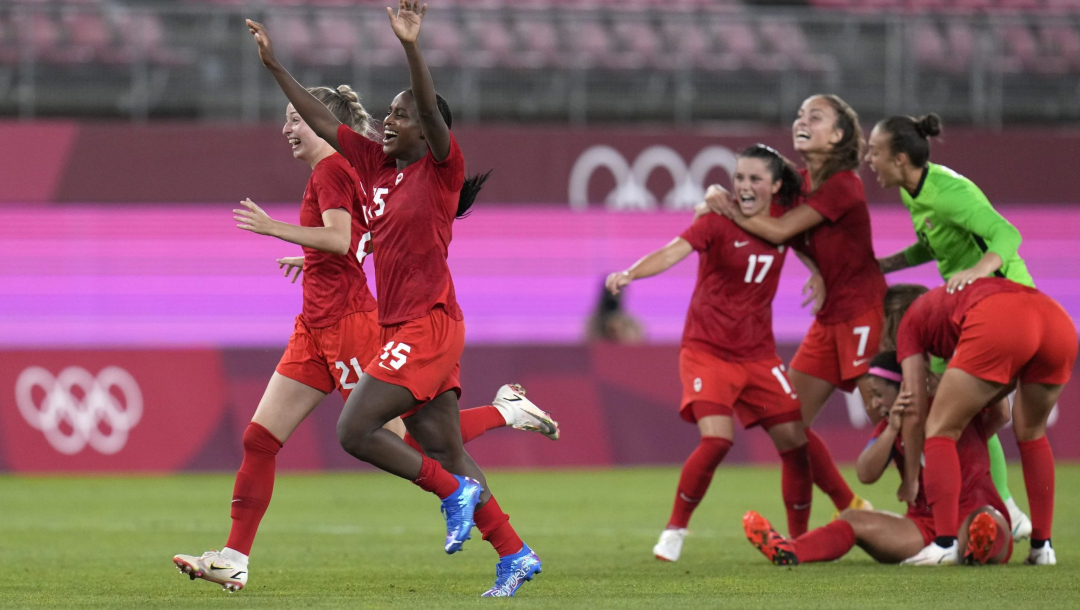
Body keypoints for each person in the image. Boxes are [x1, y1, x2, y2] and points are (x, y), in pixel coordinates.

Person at [172, 85, 558, 593]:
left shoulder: (334, 169)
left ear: (319, 123)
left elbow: (341, 236)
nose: (287, 129)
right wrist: (314, 258)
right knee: (260, 438)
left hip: (351, 326)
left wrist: (275, 229)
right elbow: (366, 235)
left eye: (294, 120)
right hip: (314, 326)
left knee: (410, 442)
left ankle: (501, 434)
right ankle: (233, 557)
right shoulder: (357, 173)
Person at [245, 3, 543, 596]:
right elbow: (324, 123)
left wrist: (411, 46)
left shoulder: (439, 169)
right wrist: (276, 67)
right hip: (407, 325)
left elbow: (430, 109)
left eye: (400, 116)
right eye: (387, 113)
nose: (389, 121)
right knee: (443, 446)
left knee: (356, 430)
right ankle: (515, 553)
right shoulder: (376, 168)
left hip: (427, 326)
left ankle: (455, 494)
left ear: (427, 132)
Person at [606, 145, 813, 561]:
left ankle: (800, 540)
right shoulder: (716, 221)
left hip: (759, 356)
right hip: (708, 351)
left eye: (755, 179)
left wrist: (822, 275)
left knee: (796, 443)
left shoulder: (787, 222)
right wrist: (630, 273)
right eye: (739, 178)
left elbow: (823, 202)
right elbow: (672, 250)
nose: (745, 186)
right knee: (717, 440)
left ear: (776, 185)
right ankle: (675, 530)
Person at [707, 94, 884, 517]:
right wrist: (816, 267)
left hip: (865, 314)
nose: (802, 120)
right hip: (828, 321)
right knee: (788, 424)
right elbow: (782, 233)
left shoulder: (844, 184)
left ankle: (934, 518)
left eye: (816, 116)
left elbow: (780, 227)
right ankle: (833, 515)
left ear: (838, 135)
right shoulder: (799, 183)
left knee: (891, 420)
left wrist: (726, 206)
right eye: (800, 114)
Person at [866, 112, 1033, 539]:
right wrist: (888, 263)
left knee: (953, 409)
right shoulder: (914, 192)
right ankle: (1001, 512)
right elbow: (933, 243)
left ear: (900, 158)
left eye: (875, 151)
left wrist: (979, 270)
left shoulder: (948, 193)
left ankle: (995, 513)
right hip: (968, 312)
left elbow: (1006, 234)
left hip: (1002, 306)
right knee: (973, 411)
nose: (869, 158)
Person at [743, 350, 1013, 566]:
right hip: (924, 527)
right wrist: (893, 428)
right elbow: (865, 473)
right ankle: (790, 549)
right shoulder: (889, 428)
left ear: (905, 388)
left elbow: (1002, 412)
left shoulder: (949, 409)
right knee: (852, 517)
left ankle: (977, 551)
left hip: (971, 514)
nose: (872, 404)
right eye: (869, 397)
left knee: (988, 520)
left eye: (877, 395)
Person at [888, 280, 1076, 565]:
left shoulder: (910, 323)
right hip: (1056, 319)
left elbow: (914, 407)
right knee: (1032, 433)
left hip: (1002, 317)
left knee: (939, 428)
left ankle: (944, 544)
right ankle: (1042, 548)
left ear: (889, 318)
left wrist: (912, 477)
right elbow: (999, 401)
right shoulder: (951, 310)